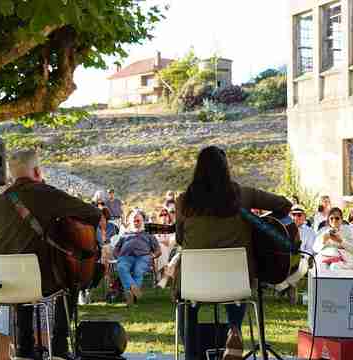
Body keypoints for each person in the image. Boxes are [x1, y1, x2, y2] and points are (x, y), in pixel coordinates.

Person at [175, 145, 292, 360]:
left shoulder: (183, 200)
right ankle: (234, 329)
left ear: (198, 170)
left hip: (195, 284)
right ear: (226, 169)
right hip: (237, 282)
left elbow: (180, 239)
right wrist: (260, 226)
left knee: (187, 307)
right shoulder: (244, 194)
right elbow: (285, 204)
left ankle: (192, 355)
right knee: (235, 292)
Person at [0, 149, 101, 359]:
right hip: (35, 283)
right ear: (37, 171)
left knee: (22, 279)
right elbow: (92, 213)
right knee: (71, 279)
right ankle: (59, 347)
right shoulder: (46, 193)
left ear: (12, 176)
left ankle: (24, 347)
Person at [114, 210, 161, 306]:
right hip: (125, 257)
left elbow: (158, 250)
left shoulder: (148, 235)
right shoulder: (125, 235)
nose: (136, 222)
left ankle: (130, 294)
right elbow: (116, 249)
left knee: (138, 270)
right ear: (131, 222)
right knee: (121, 267)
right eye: (134, 221)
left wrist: (152, 256)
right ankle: (134, 291)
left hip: (143, 257)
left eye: (138, 220)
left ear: (143, 221)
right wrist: (118, 257)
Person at [155, 207, 176, 279]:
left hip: (170, 250)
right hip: (159, 250)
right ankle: (165, 272)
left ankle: (159, 275)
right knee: (161, 248)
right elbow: (154, 240)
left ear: (168, 216)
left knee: (162, 248)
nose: (164, 216)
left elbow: (169, 242)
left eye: (165, 214)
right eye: (161, 215)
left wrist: (161, 241)